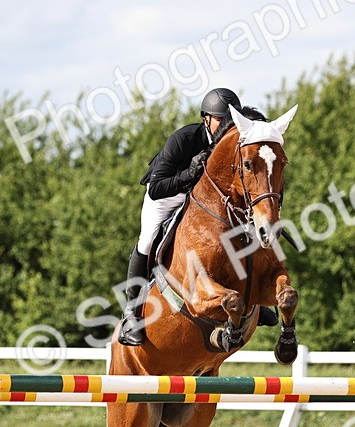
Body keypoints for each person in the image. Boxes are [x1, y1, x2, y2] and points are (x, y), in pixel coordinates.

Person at [117, 88, 277, 347]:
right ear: (206, 119)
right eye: (221, 120)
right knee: (147, 240)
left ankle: (255, 295)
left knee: (244, 229)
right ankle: (131, 314)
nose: (227, 126)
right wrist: (189, 173)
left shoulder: (234, 142)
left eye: (232, 121)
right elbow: (158, 188)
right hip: (167, 195)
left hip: (205, 200)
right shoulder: (184, 139)